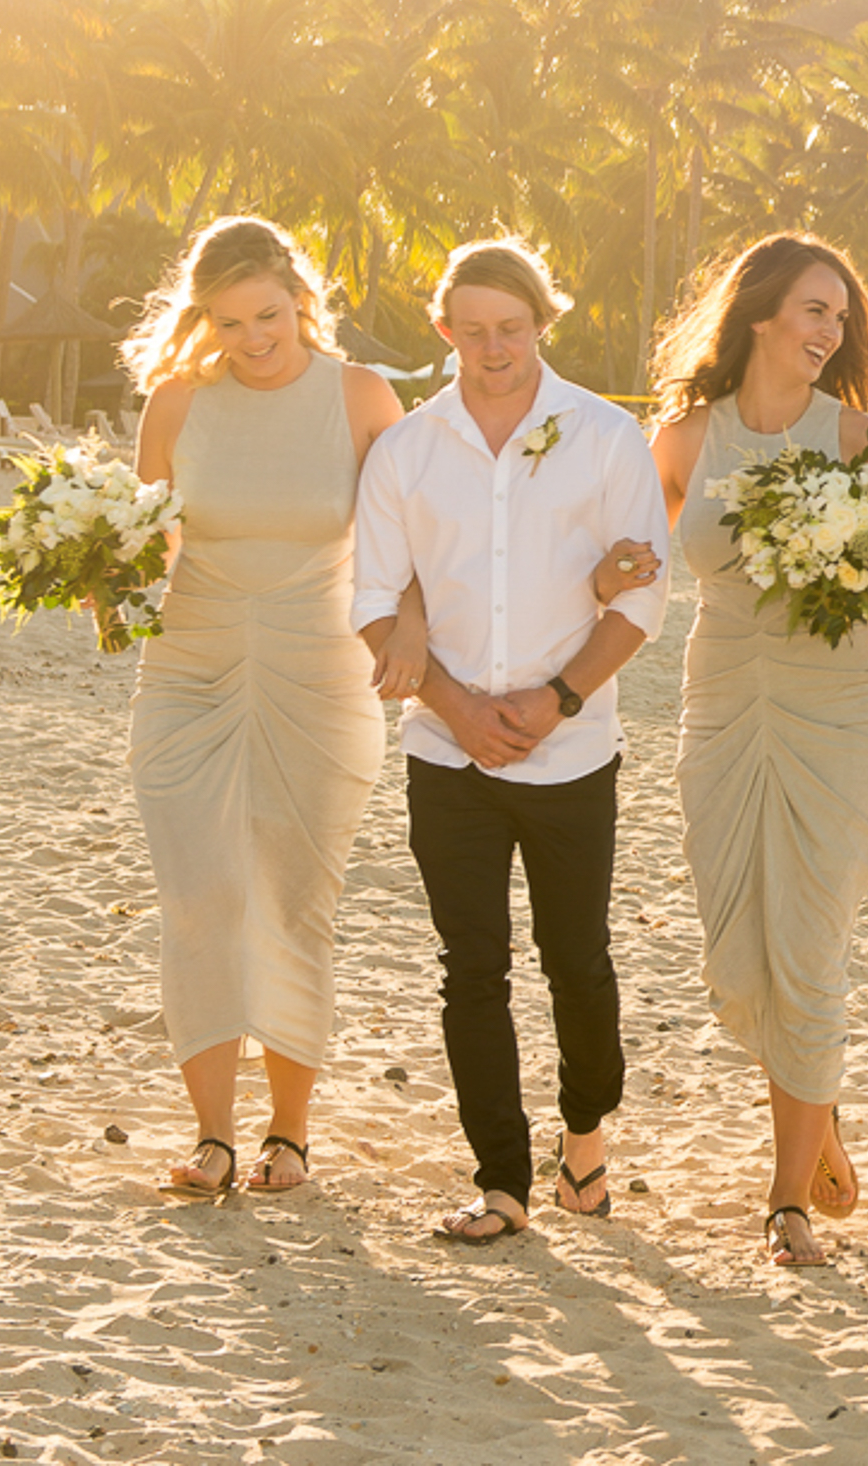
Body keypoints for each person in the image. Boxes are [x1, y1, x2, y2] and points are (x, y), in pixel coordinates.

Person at [351, 239, 673, 1246]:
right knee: (471, 966)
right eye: (473, 330)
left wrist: (559, 699)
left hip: (571, 750)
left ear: (543, 323)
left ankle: (585, 1139)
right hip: (446, 756)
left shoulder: (607, 435)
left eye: (513, 329)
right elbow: (370, 598)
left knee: (576, 958)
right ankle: (501, 1180)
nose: (494, 349)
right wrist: (453, 705)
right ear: (444, 330)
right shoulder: (406, 449)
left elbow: (647, 595)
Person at [622, 234, 868, 1269]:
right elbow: (637, 563)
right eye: (814, 311)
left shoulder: (862, 439)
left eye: (841, 315)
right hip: (724, 695)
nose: (830, 332)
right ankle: (816, 1109)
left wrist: (840, 551)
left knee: (810, 944)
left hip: (839, 708)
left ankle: (786, 1195)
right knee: (740, 941)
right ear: (759, 318)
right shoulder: (687, 437)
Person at [119, 218, 408, 1198]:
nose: (253, 338)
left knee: (292, 898)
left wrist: (412, 628)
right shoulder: (175, 404)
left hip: (319, 674)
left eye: (269, 315)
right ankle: (213, 1136)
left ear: (300, 297)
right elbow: (145, 542)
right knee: (200, 893)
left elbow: (408, 542)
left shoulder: (363, 396)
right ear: (205, 318)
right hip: (187, 667)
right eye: (230, 320)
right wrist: (96, 575)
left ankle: (290, 1130)